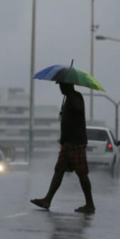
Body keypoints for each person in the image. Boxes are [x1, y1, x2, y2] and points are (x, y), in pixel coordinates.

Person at [30, 82, 96, 214]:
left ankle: (90, 204)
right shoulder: (67, 99)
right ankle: (47, 200)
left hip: (76, 142)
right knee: (58, 170)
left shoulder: (75, 97)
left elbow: (78, 108)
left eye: (61, 85)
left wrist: (70, 95)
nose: (60, 88)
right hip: (67, 143)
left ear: (67, 86)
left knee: (82, 174)